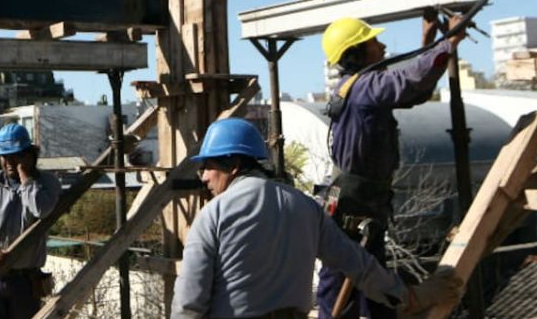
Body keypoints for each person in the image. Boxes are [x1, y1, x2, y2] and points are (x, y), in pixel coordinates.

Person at [172, 117, 462, 319]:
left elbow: (188, 302)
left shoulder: (213, 215)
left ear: (233, 164)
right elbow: (358, 265)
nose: (204, 177)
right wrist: (413, 296)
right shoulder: (305, 206)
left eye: (207, 166)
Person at [316, 12, 465, 319]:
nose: (382, 46)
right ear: (356, 52)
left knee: (370, 288)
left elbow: (414, 92)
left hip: (361, 207)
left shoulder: (356, 87)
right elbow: (409, 81)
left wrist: (429, 42)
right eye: (374, 42)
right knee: (345, 287)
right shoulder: (363, 87)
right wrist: (448, 42)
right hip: (356, 211)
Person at [0, 123, 61, 319]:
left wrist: (26, 180)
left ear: (29, 155)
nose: (9, 162)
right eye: (4, 156)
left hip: (24, 282)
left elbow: (41, 210)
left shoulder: (47, 183)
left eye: (15, 156)